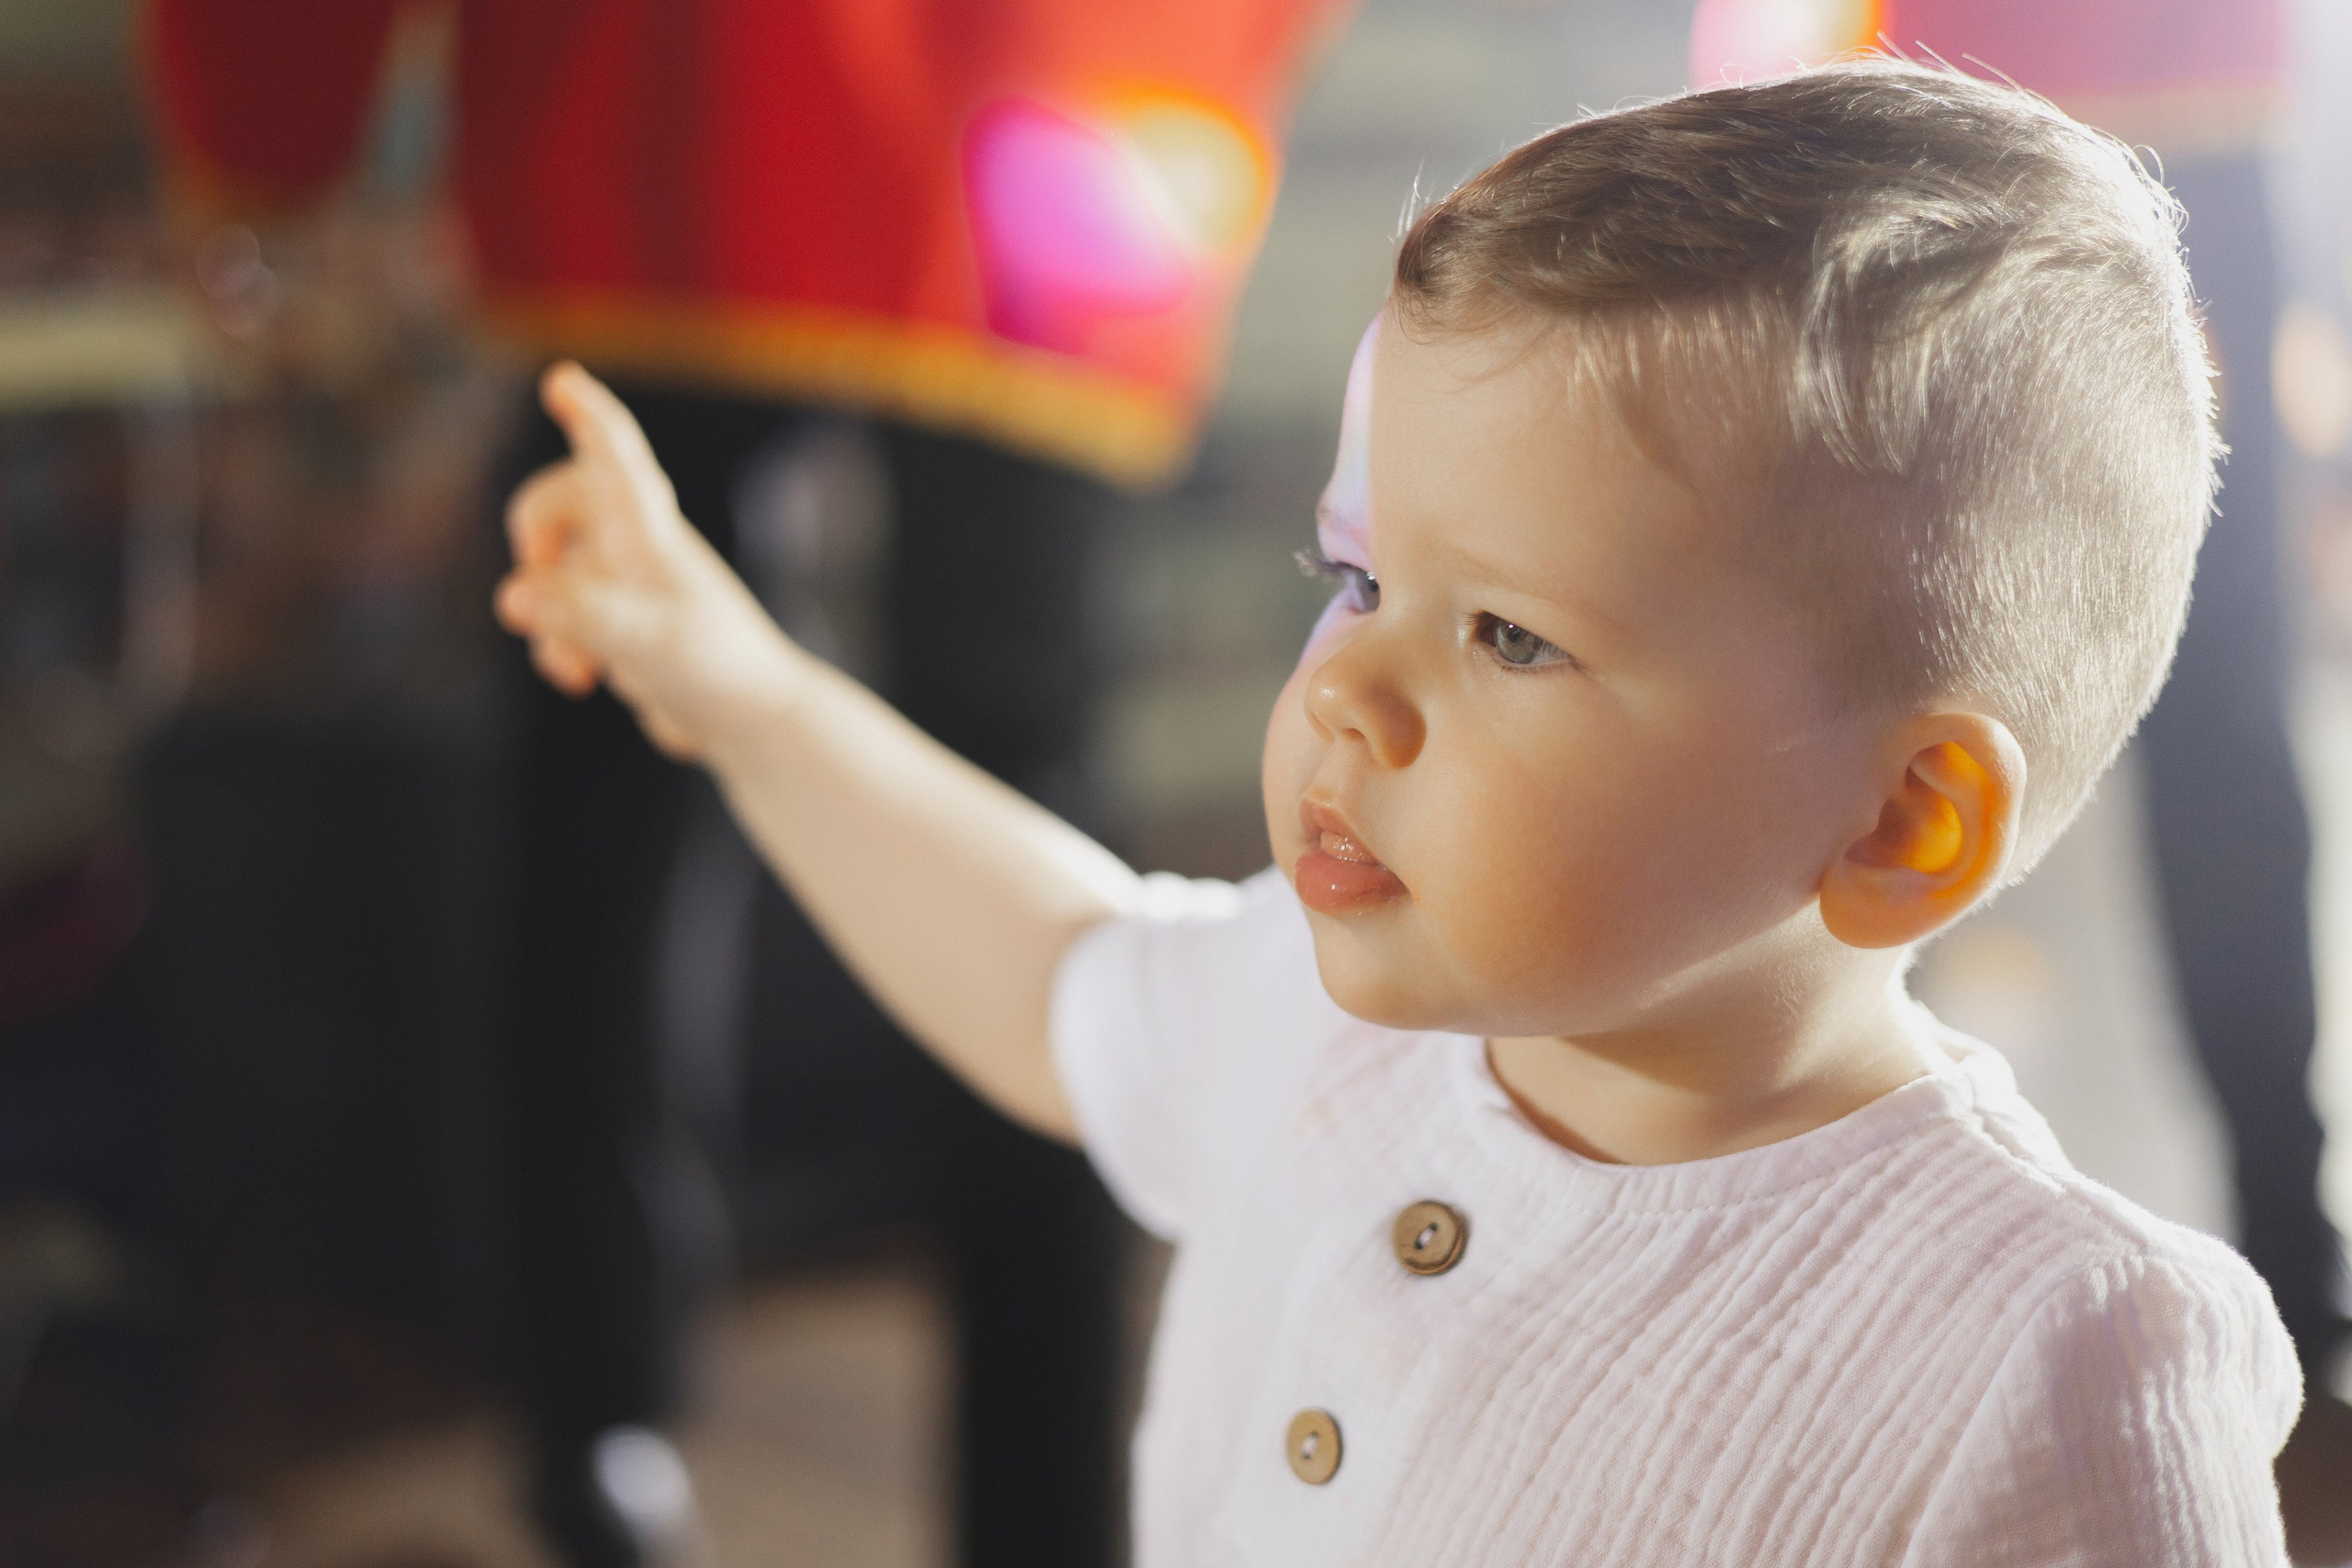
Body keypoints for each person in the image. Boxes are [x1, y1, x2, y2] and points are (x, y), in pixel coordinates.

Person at [498, 61, 2301, 1563]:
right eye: (1354, 574)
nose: (1342, 691)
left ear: (1903, 819)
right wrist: (732, 686)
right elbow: (1052, 960)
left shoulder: (2046, 1357)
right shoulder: (1316, 1022)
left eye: (1509, 632)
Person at [143, 3, 1344, 1562]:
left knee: (612, 765)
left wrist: (265, 140)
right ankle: (1038, 1519)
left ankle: (596, 1443)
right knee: (1008, 786)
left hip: (680, 82)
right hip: (1062, 91)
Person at [1687, 4, 2352, 1556]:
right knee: (1867, 703)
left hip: (2183, 130)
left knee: (2212, 742)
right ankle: (1821, 1239)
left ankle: (2293, 1247)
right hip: (1913, 148)